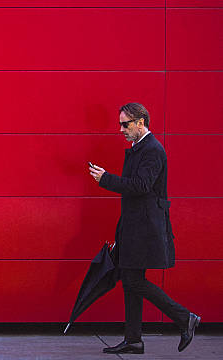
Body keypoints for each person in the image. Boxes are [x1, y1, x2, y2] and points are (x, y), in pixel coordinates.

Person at [88, 103, 200, 355]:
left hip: (144, 229)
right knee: (131, 281)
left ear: (140, 122)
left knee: (132, 280)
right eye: (120, 124)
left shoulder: (152, 150)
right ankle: (134, 339)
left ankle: (185, 318)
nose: (121, 129)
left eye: (125, 124)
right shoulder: (141, 148)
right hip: (136, 227)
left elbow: (139, 186)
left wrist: (106, 179)